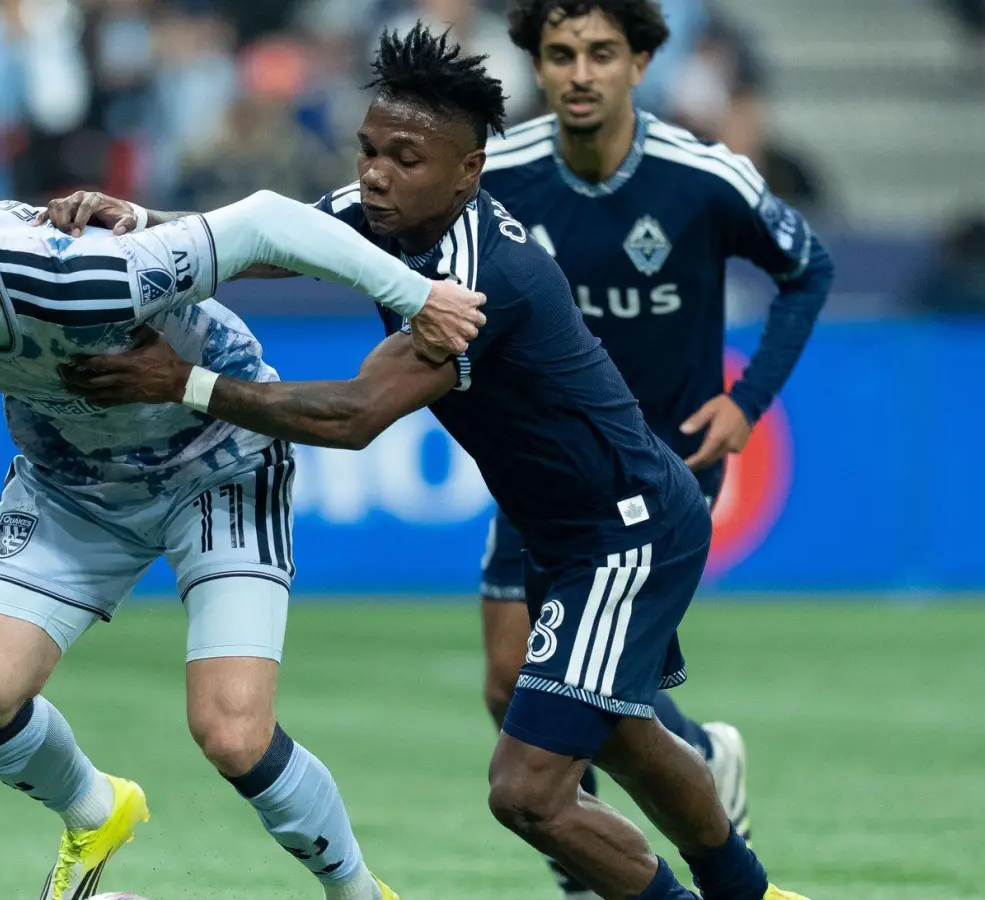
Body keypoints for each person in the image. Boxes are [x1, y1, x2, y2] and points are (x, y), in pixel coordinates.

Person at [49, 24, 809, 900]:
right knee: (622, 735)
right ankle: (748, 892)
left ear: (467, 173)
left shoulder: (481, 284)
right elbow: (268, 241)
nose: (375, 173)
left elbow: (352, 415)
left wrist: (181, 381)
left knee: (526, 794)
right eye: (369, 150)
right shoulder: (388, 216)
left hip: (621, 530)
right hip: (567, 528)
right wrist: (142, 224)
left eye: (404, 158)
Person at [0, 149, 484, 900]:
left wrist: (417, 295)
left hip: (218, 463)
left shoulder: (74, 276)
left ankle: (358, 895)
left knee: (233, 734)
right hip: (77, 484)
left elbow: (267, 221)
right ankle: (94, 811)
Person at [479, 3, 835, 894]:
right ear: (539, 66)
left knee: (575, 682)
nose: (581, 73)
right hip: (545, 469)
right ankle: (700, 758)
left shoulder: (701, 175)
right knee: (508, 682)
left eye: (602, 53)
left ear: (640, 62)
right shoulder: (500, 175)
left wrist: (747, 400)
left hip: (659, 473)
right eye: (560, 55)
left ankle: (591, 861)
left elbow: (808, 267)